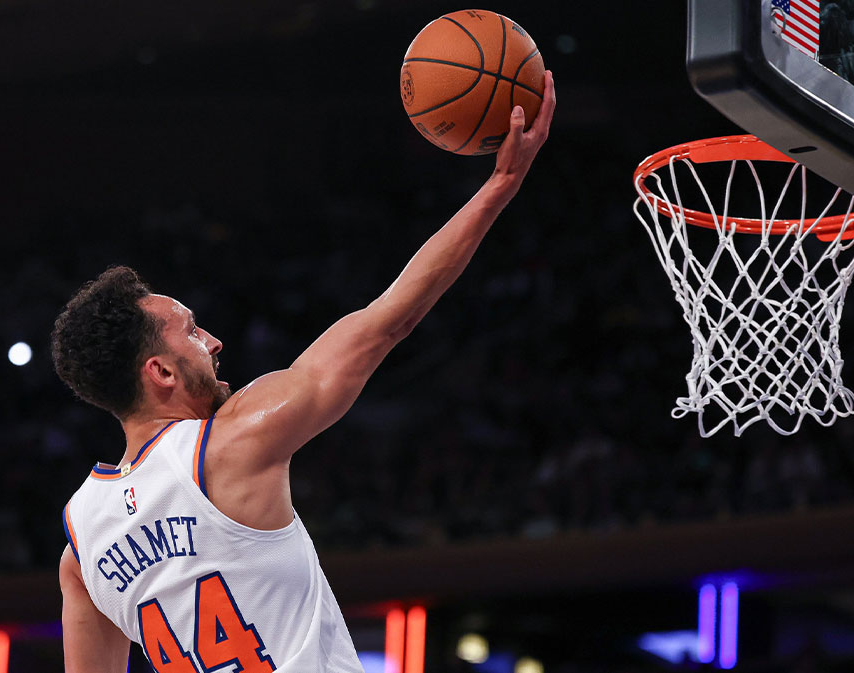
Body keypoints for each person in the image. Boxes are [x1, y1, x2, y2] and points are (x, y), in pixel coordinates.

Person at [51, 72, 556, 672]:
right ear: (160, 372)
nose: (212, 342)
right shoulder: (230, 443)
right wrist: (499, 186)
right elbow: (385, 322)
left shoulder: (81, 546)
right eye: (191, 331)